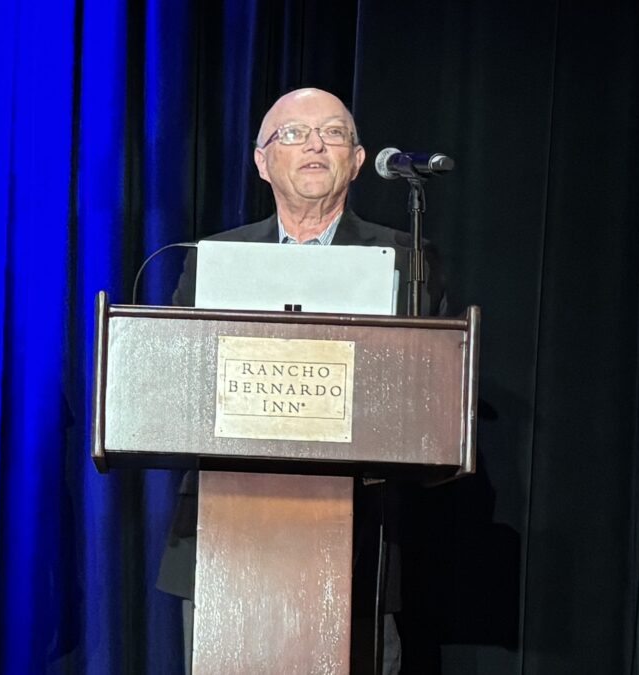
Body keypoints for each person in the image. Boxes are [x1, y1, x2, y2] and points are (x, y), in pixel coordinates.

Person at [156, 88, 448, 675]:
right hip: (226, 538)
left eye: (333, 133)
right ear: (261, 162)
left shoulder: (403, 259)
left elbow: (427, 399)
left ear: (358, 160)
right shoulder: (214, 257)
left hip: (360, 540)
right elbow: (178, 388)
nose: (314, 144)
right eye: (292, 134)